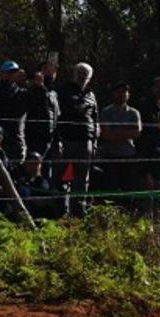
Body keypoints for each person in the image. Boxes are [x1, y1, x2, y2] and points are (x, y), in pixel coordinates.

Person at [57, 62, 98, 216]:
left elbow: (96, 120)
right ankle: (62, 212)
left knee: (81, 180)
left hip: (85, 142)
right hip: (67, 140)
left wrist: (94, 143)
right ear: (74, 73)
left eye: (86, 74)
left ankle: (79, 213)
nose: (83, 76)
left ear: (90, 77)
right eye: (80, 72)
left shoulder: (91, 95)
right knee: (63, 177)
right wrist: (58, 140)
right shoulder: (62, 91)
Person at [96, 82, 142, 201]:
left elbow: (137, 133)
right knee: (110, 188)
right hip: (110, 156)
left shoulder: (134, 113)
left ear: (128, 95)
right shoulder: (106, 112)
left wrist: (116, 132)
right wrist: (126, 132)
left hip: (129, 155)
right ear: (113, 94)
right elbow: (106, 135)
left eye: (124, 91)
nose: (121, 94)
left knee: (128, 190)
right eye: (118, 91)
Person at [21, 66, 60, 168]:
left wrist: (57, 139)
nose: (49, 74)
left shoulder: (54, 94)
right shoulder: (30, 91)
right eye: (46, 72)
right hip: (34, 137)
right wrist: (40, 87)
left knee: (47, 170)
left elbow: (56, 117)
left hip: (49, 139)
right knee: (34, 167)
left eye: (53, 72)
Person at [0, 60, 26, 164]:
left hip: (15, 139)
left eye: (15, 72)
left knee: (15, 168)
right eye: (10, 73)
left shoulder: (21, 93)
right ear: (2, 74)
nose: (12, 75)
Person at [15, 151, 59, 220]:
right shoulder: (19, 180)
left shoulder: (45, 182)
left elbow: (52, 198)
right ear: (25, 164)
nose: (34, 167)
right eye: (31, 164)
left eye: (36, 164)